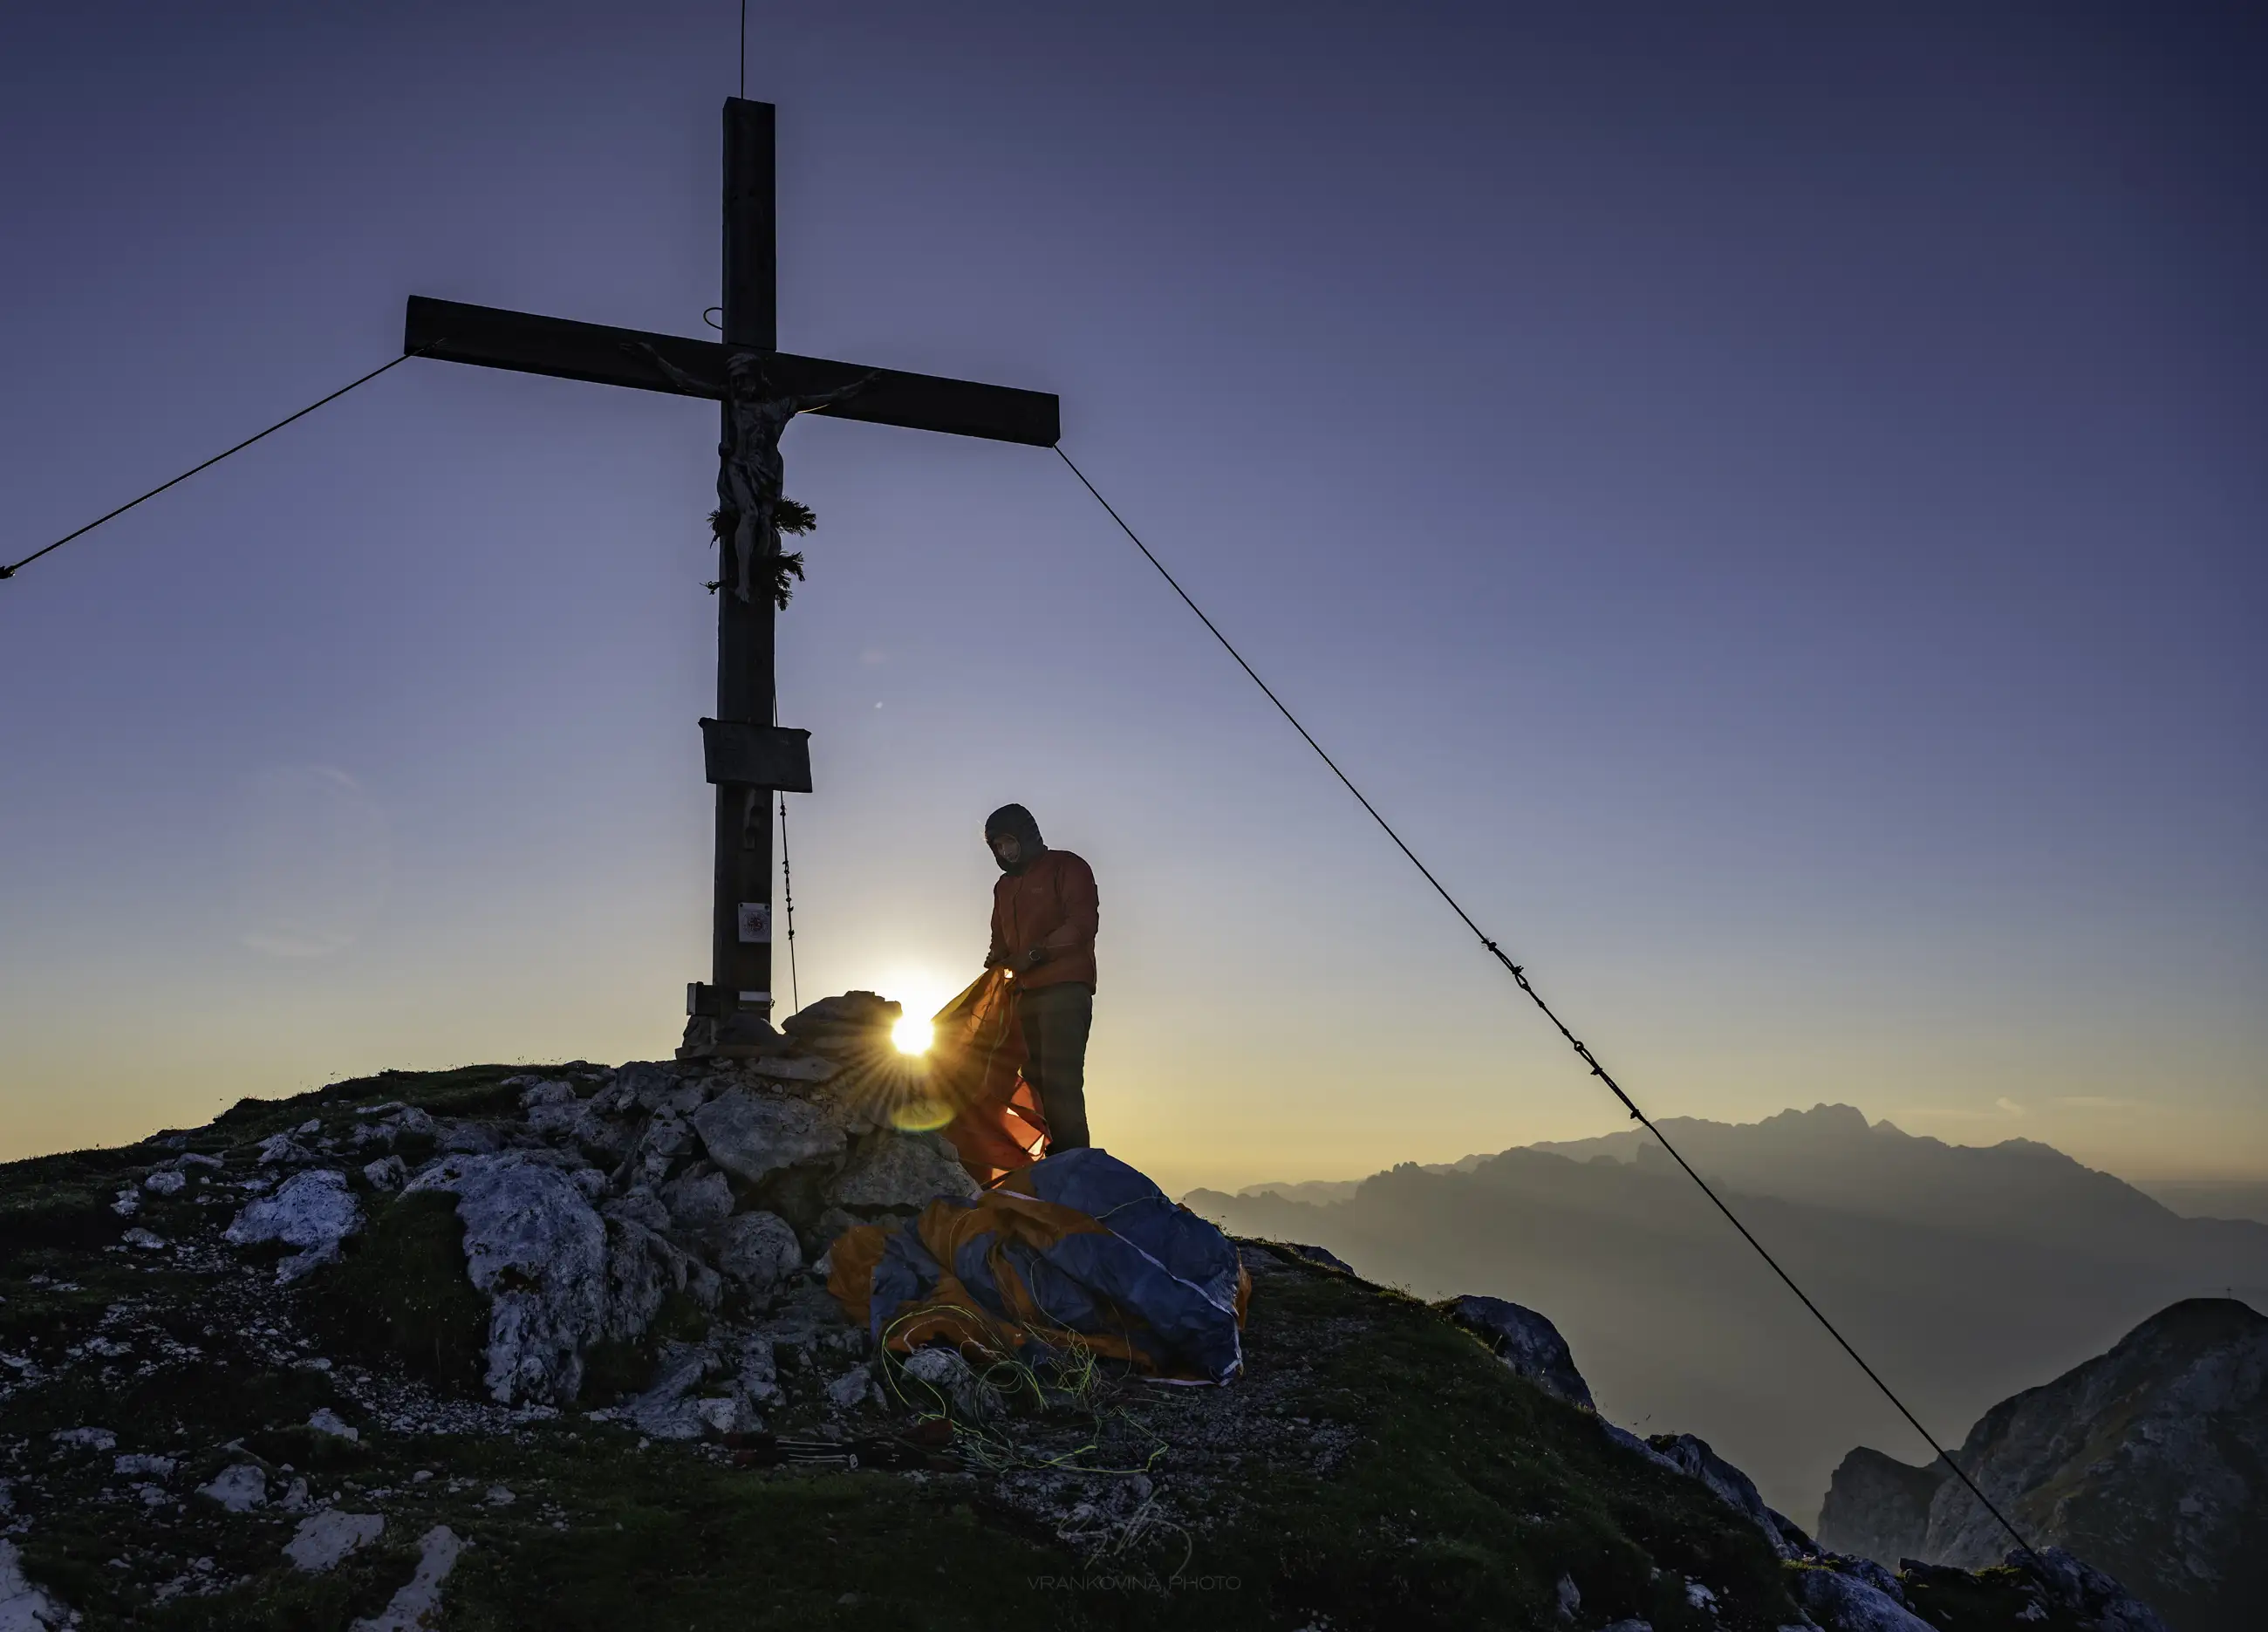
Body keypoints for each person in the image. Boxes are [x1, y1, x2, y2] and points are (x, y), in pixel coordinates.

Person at [982, 804, 1099, 1151]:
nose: (1005, 852)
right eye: (997, 847)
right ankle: (1049, 1159)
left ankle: (1074, 1163)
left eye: (1009, 843)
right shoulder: (1003, 887)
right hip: (1022, 994)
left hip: (1064, 989)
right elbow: (999, 939)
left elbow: (1082, 925)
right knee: (1033, 1083)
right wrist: (994, 967)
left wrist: (1035, 954)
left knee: (1060, 1081)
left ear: (1027, 837)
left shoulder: (1067, 867)